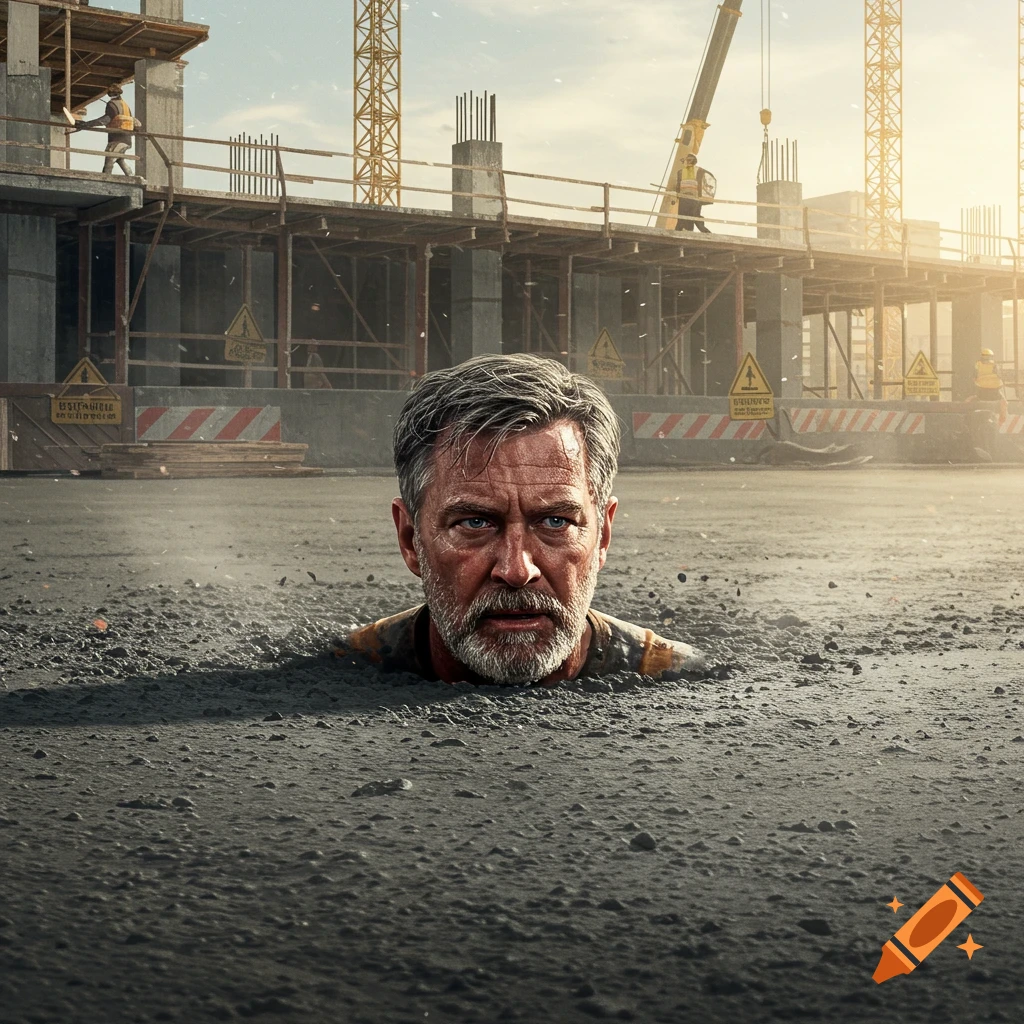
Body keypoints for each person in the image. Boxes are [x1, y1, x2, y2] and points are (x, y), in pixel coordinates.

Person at [333, 353, 706, 687]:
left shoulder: (680, 675)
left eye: (556, 522)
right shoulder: (344, 666)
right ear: (410, 539)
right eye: (475, 523)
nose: (516, 570)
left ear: (603, 536)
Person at [74, 85, 137, 175]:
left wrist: (86, 124)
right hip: (126, 139)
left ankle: (105, 179)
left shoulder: (112, 104)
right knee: (120, 160)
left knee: (109, 159)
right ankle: (131, 176)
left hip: (117, 139)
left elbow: (105, 120)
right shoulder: (125, 105)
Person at [674, 153, 711, 234]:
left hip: (687, 196)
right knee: (693, 216)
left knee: (685, 215)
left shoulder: (681, 172)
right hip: (692, 197)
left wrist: (677, 195)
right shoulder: (699, 170)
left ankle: (680, 231)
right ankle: (704, 232)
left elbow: (678, 185)